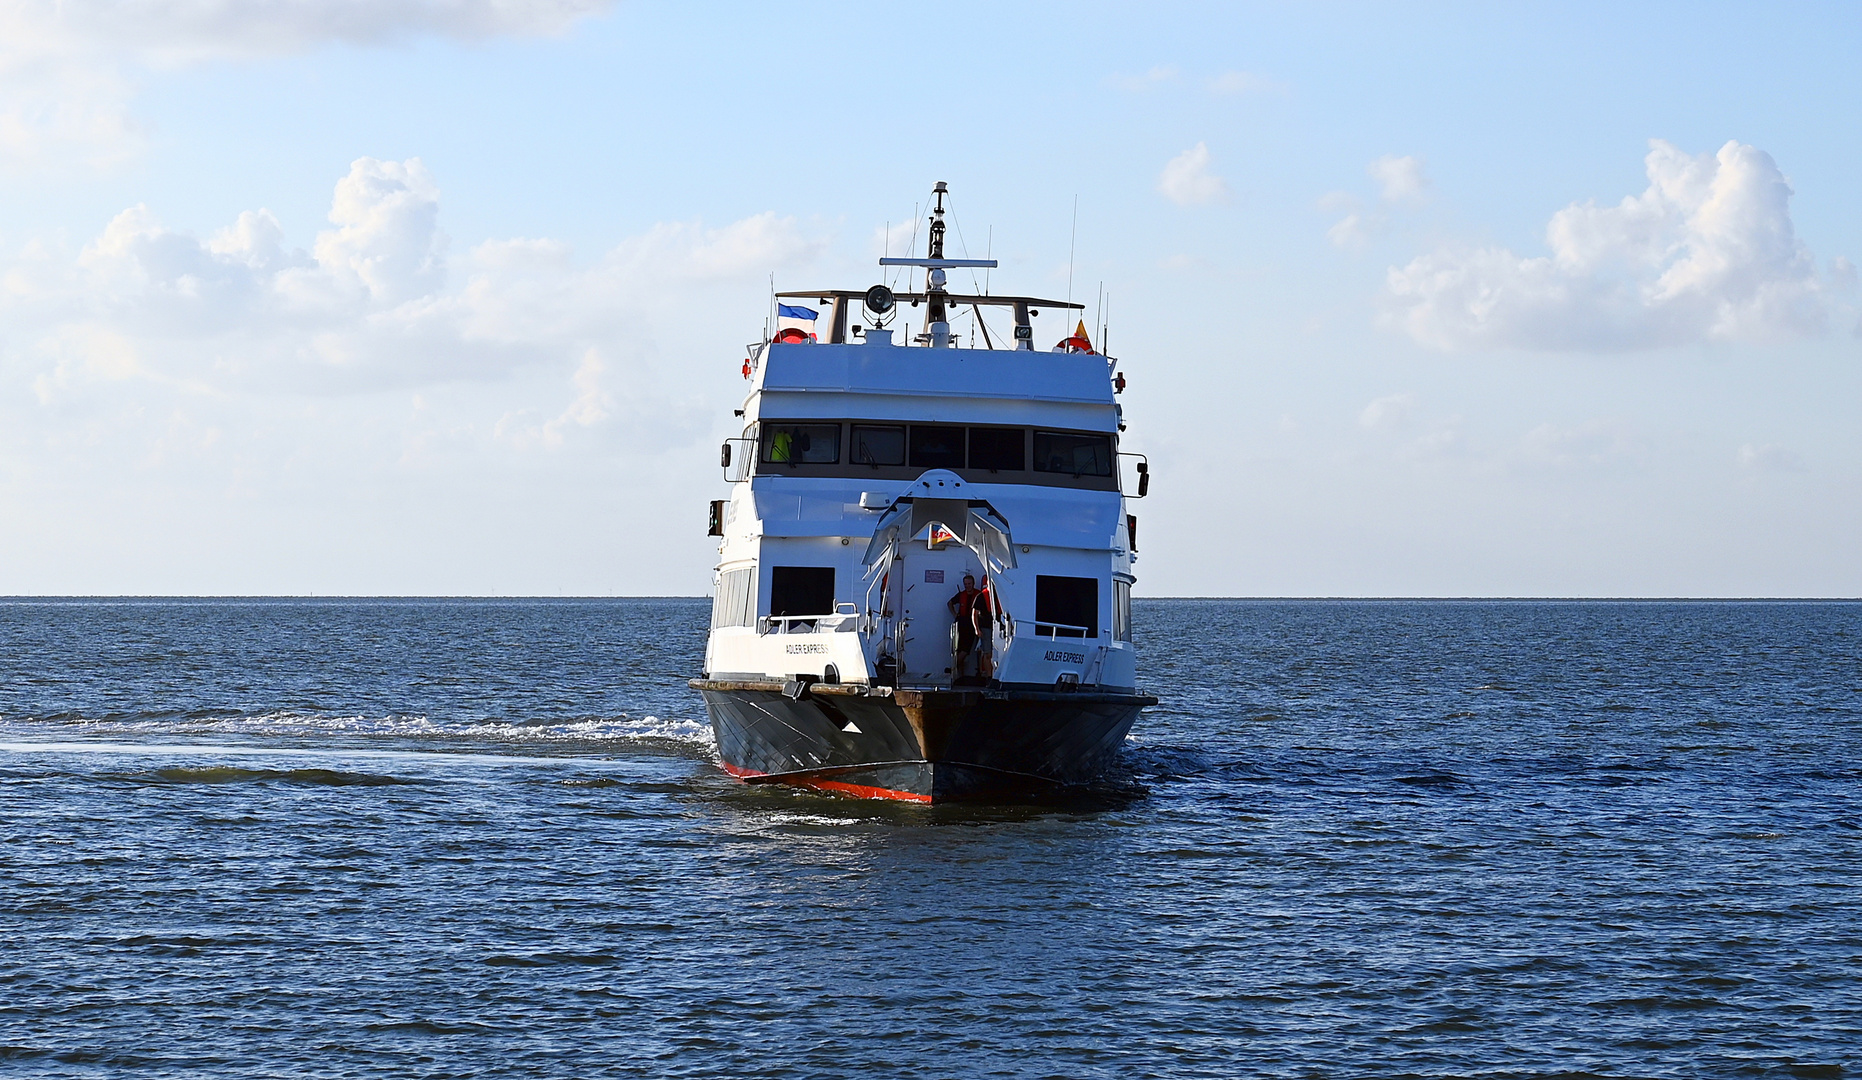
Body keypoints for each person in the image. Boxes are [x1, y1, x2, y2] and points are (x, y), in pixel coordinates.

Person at [948, 573, 981, 677]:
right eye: (965, 584)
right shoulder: (961, 595)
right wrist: (954, 614)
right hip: (962, 623)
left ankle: (953, 667)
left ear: (973, 583)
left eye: (969, 583)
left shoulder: (978, 594)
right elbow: (949, 603)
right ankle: (958, 673)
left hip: (973, 624)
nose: (967, 586)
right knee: (960, 649)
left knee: (966, 650)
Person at [971, 576, 999, 681]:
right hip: (986, 629)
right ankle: (989, 677)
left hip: (998, 628)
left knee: (998, 653)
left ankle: (996, 675)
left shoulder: (999, 596)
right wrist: (976, 629)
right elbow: (974, 614)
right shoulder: (981, 596)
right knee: (988, 653)